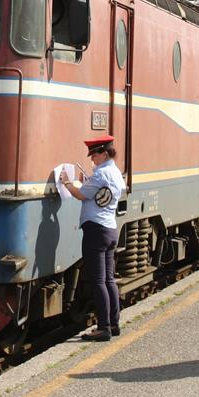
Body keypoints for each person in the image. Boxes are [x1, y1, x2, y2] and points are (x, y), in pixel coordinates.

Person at [59, 135, 126, 342]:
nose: (92, 159)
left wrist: (67, 183)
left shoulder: (100, 175)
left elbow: (80, 195)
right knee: (109, 279)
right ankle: (114, 324)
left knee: (98, 281)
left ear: (104, 153)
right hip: (110, 229)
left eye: (94, 155)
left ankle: (103, 328)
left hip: (95, 231)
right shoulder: (114, 172)